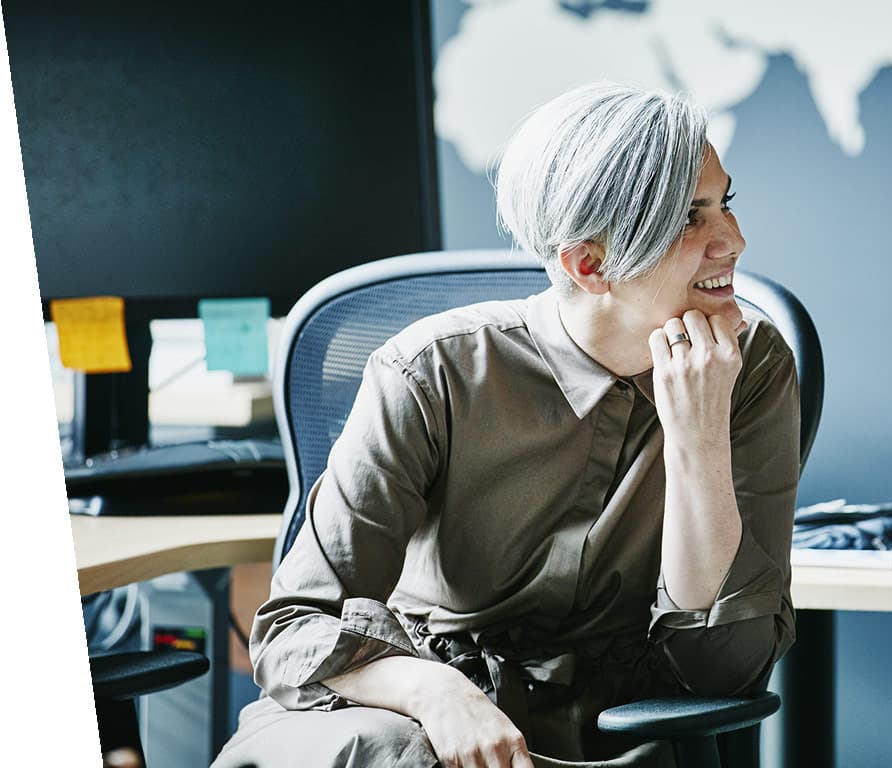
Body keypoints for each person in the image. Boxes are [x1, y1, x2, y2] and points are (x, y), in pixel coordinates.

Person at [212, 81, 799, 768]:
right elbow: (291, 630)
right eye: (691, 218)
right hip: (400, 714)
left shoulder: (750, 366)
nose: (734, 240)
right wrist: (433, 693)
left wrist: (698, 439)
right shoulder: (430, 371)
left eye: (724, 203)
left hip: (605, 737)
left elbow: (722, 668)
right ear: (590, 264)